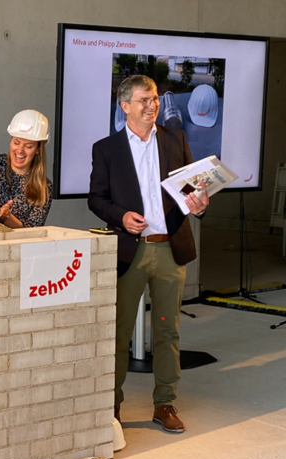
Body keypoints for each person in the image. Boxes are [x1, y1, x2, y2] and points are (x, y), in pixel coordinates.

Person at [88, 75, 209, 434]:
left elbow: (191, 191)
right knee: (119, 332)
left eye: (154, 98)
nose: (152, 105)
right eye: (143, 100)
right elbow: (96, 199)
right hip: (131, 252)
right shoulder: (106, 149)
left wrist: (200, 205)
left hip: (170, 249)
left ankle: (164, 403)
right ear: (125, 106)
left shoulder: (176, 139)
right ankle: (111, 406)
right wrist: (121, 216)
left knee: (167, 330)